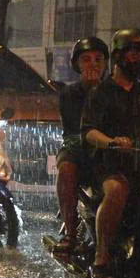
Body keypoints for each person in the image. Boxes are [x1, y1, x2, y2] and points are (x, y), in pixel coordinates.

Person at [80, 30, 140, 272]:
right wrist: (112, 142)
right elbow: (89, 131)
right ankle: (101, 258)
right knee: (117, 190)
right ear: (119, 56)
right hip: (109, 164)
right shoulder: (100, 93)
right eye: (135, 53)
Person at [50, 36, 108, 256]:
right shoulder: (70, 94)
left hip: (111, 151)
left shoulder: (116, 91)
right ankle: (71, 234)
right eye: (86, 59)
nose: (93, 64)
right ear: (77, 65)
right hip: (78, 150)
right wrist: (93, 91)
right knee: (67, 169)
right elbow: (77, 129)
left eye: (98, 59)